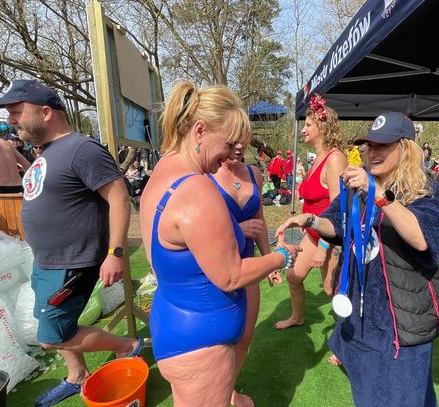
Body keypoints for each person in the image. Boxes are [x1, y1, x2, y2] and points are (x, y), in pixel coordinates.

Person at [138, 80, 300, 406]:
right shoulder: (197, 189)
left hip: (178, 325)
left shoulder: (163, 171)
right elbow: (231, 275)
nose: (230, 153)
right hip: (201, 344)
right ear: (200, 131)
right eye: (227, 143)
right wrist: (282, 255)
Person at [276, 112, 439, 406]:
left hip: (401, 324)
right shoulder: (359, 185)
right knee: (368, 395)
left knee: (406, 398)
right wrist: (310, 220)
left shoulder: (428, 189)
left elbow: (423, 238)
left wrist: (379, 194)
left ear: (406, 148)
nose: (373, 152)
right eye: (370, 145)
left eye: (383, 145)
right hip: (362, 318)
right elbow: (336, 223)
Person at [0, 79, 142, 407]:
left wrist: (115, 253)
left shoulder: (81, 148)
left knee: (51, 337)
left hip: (71, 264)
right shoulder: (46, 152)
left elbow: (119, 198)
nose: (11, 120)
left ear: (46, 113)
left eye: (16, 112)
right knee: (55, 322)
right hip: (46, 260)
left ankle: (126, 346)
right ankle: (77, 375)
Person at [209, 142, 281, 406]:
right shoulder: (205, 175)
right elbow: (199, 229)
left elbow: (259, 220)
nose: (239, 146)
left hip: (249, 265)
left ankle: (228, 390)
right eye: (233, 140)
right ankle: (214, 394)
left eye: (244, 139)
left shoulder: (254, 174)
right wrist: (237, 229)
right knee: (218, 341)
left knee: (245, 337)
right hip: (215, 270)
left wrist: (269, 261)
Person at [275, 94, 347, 330]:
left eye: (307, 125)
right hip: (313, 233)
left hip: (330, 237)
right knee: (293, 276)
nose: (303, 130)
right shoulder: (317, 159)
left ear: (322, 127)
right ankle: (297, 317)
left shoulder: (335, 159)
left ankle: (351, 335)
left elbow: (339, 209)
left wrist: (324, 247)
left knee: (331, 289)